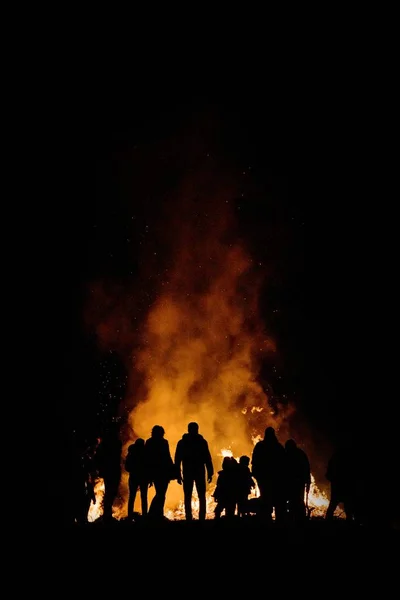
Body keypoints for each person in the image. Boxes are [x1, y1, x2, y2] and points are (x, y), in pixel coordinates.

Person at [174, 422, 214, 520]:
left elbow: (177, 460)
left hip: (189, 471)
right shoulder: (201, 442)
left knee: (189, 496)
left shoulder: (183, 442)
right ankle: (200, 518)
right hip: (197, 471)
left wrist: (178, 474)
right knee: (200, 496)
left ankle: (190, 518)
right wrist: (210, 472)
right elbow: (207, 458)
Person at [251, 426, 287, 523]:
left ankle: (267, 520)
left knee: (266, 498)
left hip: (265, 479)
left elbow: (254, 462)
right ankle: (278, 521)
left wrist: (255, 474)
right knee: (277, 499)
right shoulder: (278, 447)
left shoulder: (260, 446)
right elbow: (284, 463)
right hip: (275, 479)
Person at [145, 425, 175, 519]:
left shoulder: (151, 442)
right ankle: (154, 514)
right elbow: (148, 458)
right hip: (160, 472)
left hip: (159, 472)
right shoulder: (160, 442)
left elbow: (167, 456)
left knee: (161, 494)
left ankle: (157, 514)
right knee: (160, 494)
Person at [285, 439, 311, 522]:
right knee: (298, 501)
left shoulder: (286, 454)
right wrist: (308, 482)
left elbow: (306, 469)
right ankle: (299, 518)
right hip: (298, 482)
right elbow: (307, 469)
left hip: (292, 482)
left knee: (294, 501)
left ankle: (295, 518)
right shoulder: (301, 454)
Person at [125, 438, 149, 518]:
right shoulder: (145, 453)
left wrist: (133, 470)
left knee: (132, 497)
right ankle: (144, 515)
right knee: (143, 497)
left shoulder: (131, 453)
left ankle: (130, 515)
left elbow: (127, 466)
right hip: (143, 478)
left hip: (134, 477)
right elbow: (148, 466)